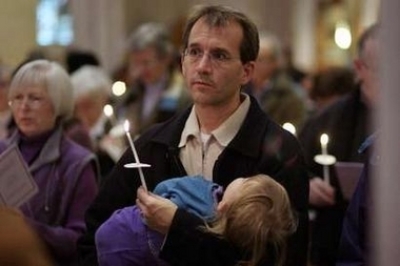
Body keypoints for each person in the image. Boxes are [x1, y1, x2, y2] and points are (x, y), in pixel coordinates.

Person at [78, 5, 309, 266]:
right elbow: (92, 238)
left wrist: (177, 227)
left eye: (219, 55)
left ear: (246, 71)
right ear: (182, 61)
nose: (202, 67)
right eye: (195, 52)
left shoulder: (280, 151)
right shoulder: (152, 145)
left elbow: (281, 258)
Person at [0, 59, 99, 265]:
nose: (24, 107)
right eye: (17, 98)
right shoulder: (2, 151)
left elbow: (81, 240)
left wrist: (23, 227)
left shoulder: (77, 162)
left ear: (58, 104)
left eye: (35, 98)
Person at [298, 24, 379, 266]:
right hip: (335, 240)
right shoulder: (329, 118)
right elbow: (293, 167)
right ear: (359, 68)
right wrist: (308, 185)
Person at [96, 174, 297, 266]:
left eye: (244, 181)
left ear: (223, 206)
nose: (241, 178)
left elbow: (163, 188)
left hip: (122, 241)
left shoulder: (201, 193)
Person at [116, 22, 191, 137]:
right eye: (136, 63)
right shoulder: (133, 93)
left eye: (146, 63)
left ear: (166, 58)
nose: (140, 70)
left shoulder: (183, 93)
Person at [244, 32, 308, 130]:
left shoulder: (288, 94)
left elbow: (296, 127)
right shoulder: (241, 90)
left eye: (261, 60)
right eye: (253, 60)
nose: (255, 65)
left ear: (274, 63)